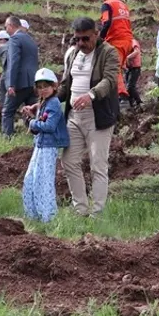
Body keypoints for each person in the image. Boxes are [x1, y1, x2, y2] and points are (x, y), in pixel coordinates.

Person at [57, 17, 120, 216]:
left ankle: (97, 214)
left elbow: (109, 80)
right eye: (77, 39)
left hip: (98, 117)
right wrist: (43, 102)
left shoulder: (108, 52)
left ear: (96, 34)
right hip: (74, 117)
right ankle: (81, 210)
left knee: (97, 165)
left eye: (86, 39)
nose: (82, 43)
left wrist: (90, 95)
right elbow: (66, 85)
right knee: (68, 161)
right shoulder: (73, 54)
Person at [23, 68, 69, 223]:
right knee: (31, 178)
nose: (42, 90)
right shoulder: (45, 103)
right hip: (41, 145)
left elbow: (49, 126)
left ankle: (48, 218)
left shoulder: (54, 103)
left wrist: (32, 123)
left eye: (46, 86)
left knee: (43, 181)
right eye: (40, 86)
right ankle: (33, 215)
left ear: (54, 86)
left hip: (48, 148)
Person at [2, 16, 39, 136]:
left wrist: (11, 84)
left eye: (6, 27)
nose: (6, 30)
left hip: (19, 83)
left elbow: (13, 62)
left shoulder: (14, 39)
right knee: (31, 110)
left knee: (7, 111)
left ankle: (7, 138)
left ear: (11, 26)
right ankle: (36, 135)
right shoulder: (30, 39)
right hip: (32, 82)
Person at [97, 0, 135, 97]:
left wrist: (100, 39)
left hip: (116, 40)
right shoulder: (122, 5)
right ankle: (115, 95)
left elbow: (106, 22)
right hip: (128, 41)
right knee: (117, 68)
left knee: (113, 68)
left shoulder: (107, 5)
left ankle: (121, 95)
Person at [124, 38, 143, 108]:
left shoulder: (133, 41)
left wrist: (128, 57)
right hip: (129, 68)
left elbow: (136, 51)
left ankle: (139, 102)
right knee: (128, 87)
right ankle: (131, 105)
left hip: (135, 68)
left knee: (130, 87)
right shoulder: (126, 43)